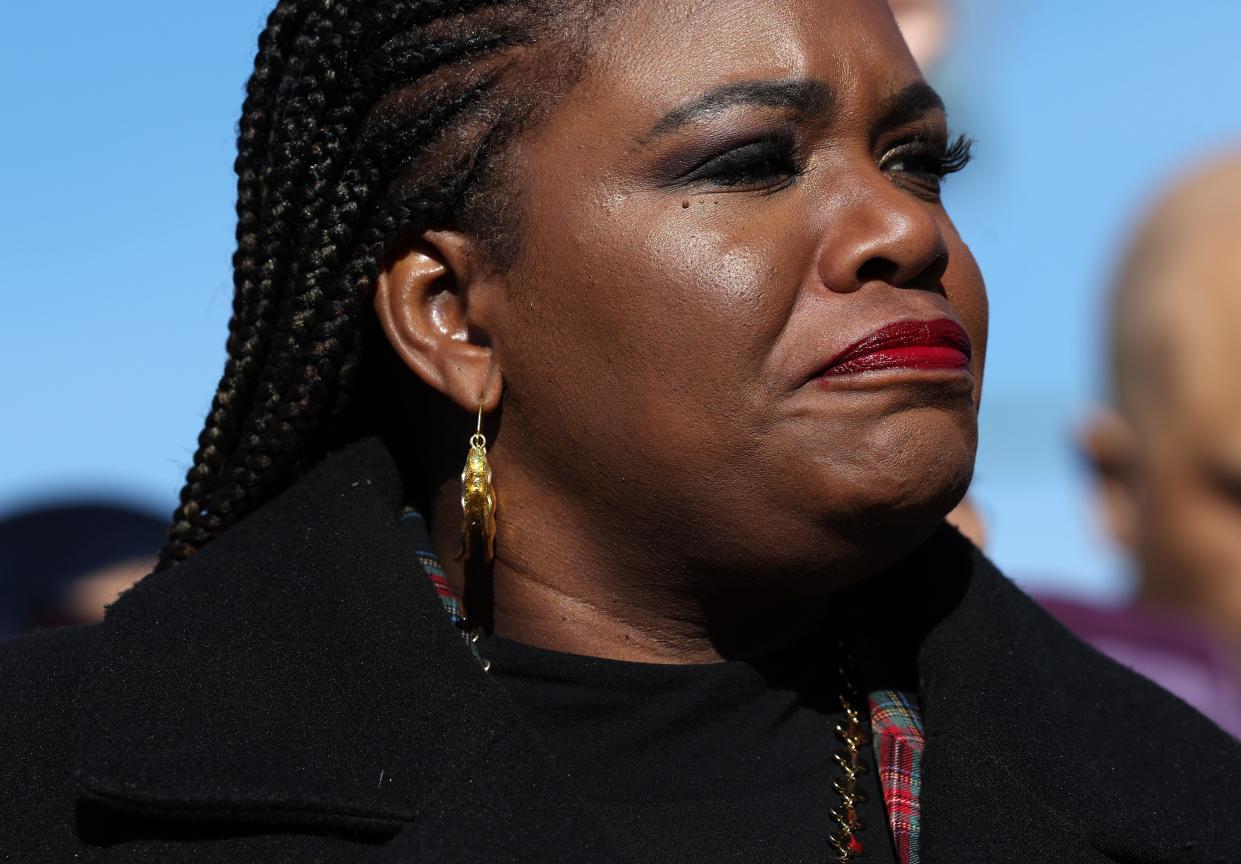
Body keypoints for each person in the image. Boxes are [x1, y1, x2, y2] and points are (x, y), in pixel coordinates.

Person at [2, 2, 1238, 862]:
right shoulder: (45, 790)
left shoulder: (1179, 800)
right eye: (754, 158)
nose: (902, 231)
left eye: (918, 158)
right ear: (453, 318)